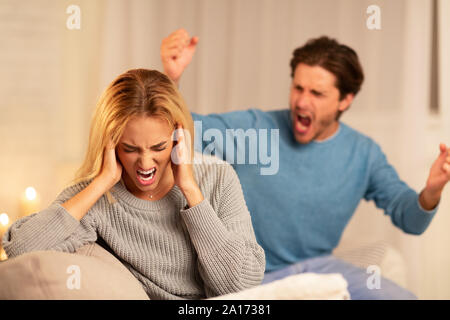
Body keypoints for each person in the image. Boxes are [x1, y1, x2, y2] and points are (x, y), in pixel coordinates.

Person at [160, 29, 450, 299]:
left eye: (317, 93)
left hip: (321, 269)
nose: (301, 101)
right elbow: (185, 130)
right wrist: (171, 81)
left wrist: (433, 190)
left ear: (345, 100)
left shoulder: (364, 154)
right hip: (256, 277)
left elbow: (409, 218)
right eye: (298, 88)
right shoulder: (256, 129)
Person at [2, 69, 265, 300]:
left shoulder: (217, 178)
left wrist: (191, 191)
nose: (145, 163)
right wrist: (101, 183)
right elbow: (20, 252)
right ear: (111, 144)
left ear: (178, 139)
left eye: (158, 147)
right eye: (130, 149)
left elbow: (243, 287)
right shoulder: (99, 198)